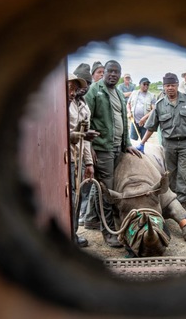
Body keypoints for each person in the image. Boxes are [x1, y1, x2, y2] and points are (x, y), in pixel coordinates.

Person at [84, 60, 142, 247]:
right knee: (107, 191)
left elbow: (124, 120)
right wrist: (89, 147)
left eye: (117, 72)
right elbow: (86, 119)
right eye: (110, 71)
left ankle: (92, 219)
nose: (113, 75)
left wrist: (127, 143)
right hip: (102, 148)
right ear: (104, 72)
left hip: (117, 147)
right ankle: (108, 232)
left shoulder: (118, 93)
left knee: (106, 186)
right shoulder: (95, 90)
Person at [137, 73, 186, 211]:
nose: (170, 88)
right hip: (168, 145)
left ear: (177, 85)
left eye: (173, 85)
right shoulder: (160, 105)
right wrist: (142, 143)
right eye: (167, 85)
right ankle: (174, 203)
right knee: (170, 175)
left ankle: (183, 204)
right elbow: (151, 127)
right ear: (164, 87)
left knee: (182, 174)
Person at [67, 72, 99, 247]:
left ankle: (73, 233)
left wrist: (89, 163)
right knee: (70, 196)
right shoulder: (62, 107)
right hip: (67, 158)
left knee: (77, 196)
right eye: (70, 88)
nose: (74, 92)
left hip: (78, 159)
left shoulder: (83, 107)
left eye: (76, 88)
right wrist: (80, 135)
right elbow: (63, 133)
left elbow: (85, 140)